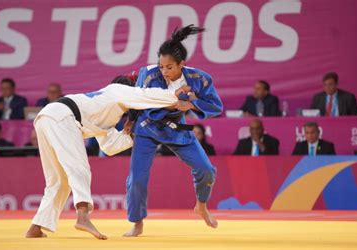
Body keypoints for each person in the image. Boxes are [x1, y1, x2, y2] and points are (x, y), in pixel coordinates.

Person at [25, 78, 190, 239]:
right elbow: (146, 94)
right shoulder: (118, 90)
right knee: (79, 168)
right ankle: (83, 217)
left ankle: (36, 227)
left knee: (59, 181)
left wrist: (137, 135)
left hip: (47, 117)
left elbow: (109, 147)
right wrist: (174, 94)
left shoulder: (106, 108)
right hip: (63, 117)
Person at [123, 25, 223, 237]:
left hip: (176, 130)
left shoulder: (198, 78)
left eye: (169, 67)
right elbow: (139, 101)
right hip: (147, 127)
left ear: (181, 64)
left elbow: (215, 105)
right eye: (161, 66)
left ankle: (201, 206)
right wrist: (131, 120)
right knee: (137, 178)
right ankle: (137, 222)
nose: (164, 72)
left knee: (206, 170)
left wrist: (192, 105)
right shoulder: (148, 74)